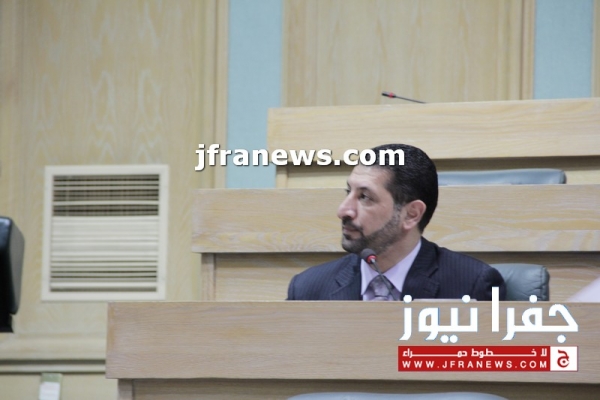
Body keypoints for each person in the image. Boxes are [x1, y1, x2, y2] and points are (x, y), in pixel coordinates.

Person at [287, 143, 506, 301]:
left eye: (364, 197)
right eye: (348, 192)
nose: (343, 210)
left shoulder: (472, 285)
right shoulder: (308, 290)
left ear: (411, 214)